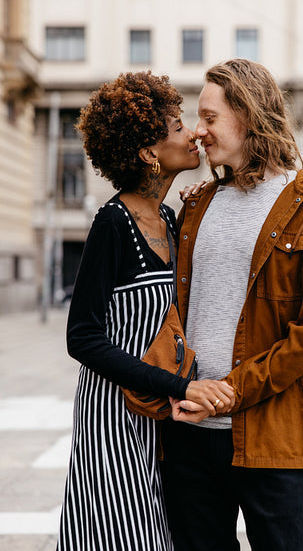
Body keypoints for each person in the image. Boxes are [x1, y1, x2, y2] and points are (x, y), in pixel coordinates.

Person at [160, 59, 303, 551]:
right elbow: (176, 307)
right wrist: (184, 388)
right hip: (190, 437)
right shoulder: (197, 203)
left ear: (248, 114)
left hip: (274, 439)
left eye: (209, 117)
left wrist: (226, 391)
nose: (198, 132)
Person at [57, 71, 234, 551]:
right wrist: (179, 385)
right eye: (178, 127)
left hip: (162, 415)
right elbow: (84, 338)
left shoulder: (172, 220)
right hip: (113, 417)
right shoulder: (112, 223)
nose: (193, 133)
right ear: (148, 153)